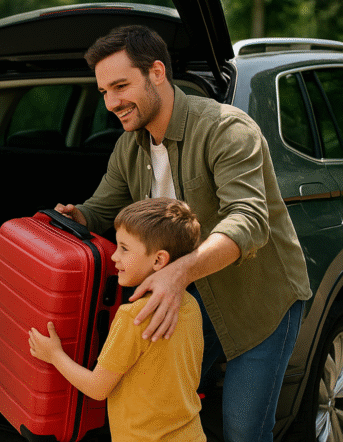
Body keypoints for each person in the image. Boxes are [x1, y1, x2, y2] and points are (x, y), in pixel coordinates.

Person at [55, 25, 311, 441]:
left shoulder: (227, 129)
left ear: (157, 72)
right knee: (158, 405)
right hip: (190, 301)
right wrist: (75, 218)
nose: (112, 102)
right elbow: (99, 209)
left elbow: (247, 218)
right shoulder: (128, 146)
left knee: (244, 431)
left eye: (121, 85)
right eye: (104, 91)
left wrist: (179, 273)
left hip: (258, 302)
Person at [30, 198, 204, 441]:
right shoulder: (190, 305)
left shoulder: (132, 316)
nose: (114, 257)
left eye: (124, 248)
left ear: (158, 260)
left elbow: (97, 388)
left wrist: (54, 355)